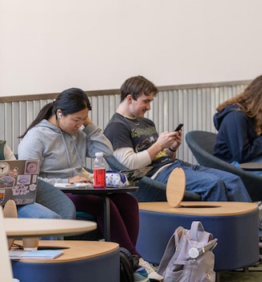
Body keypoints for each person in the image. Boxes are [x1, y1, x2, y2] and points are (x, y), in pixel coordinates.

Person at [18, 88, 161, 281]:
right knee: (101, 204)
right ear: (59, 113)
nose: (79, 125)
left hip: (80, 189)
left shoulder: (77, 133)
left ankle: (123, 263)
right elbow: (28, 181)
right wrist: (64, 181)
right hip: (52, 195)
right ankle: (135, 259)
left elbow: (106, 150)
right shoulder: (36, 138)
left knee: (127, 201)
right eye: (76, 119)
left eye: (83, 119)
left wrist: (89, 125)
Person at [104, 75, 251, 202]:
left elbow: (161, 157)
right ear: (130, 99)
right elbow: (130, 165)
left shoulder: (146, 122)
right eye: (145, 101)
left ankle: (255, 234)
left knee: (233, 180)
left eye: (150, 102)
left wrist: (171, 148)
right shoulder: (117, 127)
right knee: (214, 184)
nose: (149, 107)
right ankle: (222, 233)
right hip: (156, 177)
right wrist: (159, 145)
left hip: (175, 166)